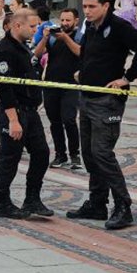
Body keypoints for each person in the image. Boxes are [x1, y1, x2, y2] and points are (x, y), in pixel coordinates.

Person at [66, 0, 137, 230]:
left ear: (106, 5)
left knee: (103, 153)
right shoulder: (91, 28)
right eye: (84, 6)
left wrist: (128, 77)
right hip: (87, 97)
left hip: (108, 101)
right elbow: (87, 53)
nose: (87, 11)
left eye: (92, 6)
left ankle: (123, 206)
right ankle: (97, 203)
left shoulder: (119, 26)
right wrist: (82, 70)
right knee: (89, 154)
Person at [0, 9, 53, 219]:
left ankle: (32, 199)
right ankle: (2, 203)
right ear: (18, 26)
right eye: (33, 26)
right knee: (9, 159)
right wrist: (13, 120)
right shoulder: (5, 50)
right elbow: (5, 88)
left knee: (41, 154)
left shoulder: (22, 47)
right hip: (14, 112)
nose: (36, 30)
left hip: (30, 111)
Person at [44, 9, 85, 170]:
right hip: (51, 84)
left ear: (76, 21)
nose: (65, 23)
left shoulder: (80, 36)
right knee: (55, 121)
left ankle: (75, 155)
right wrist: (46, 37)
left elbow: (80, 53)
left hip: (71, 85)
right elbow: (38, 53)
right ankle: (60, 154)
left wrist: (66, 38)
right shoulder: (54, 37)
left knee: (69, 119)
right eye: (62, 20)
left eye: (68, 20)